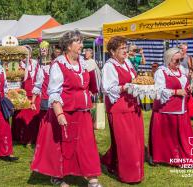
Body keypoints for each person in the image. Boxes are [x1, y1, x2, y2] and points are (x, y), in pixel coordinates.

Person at [31, 30, 102, 187]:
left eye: (81, 41)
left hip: (83, 112)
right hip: (65, 112)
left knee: (86, 145)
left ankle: (92, 178)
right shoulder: (58, 65)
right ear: (69, 46)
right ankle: (58, 176)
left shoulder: (83, 63)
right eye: (78, 41)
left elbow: (89, 87)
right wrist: (59, 113)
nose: (82, 45)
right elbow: (54, 91)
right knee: (63, 146)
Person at [101, 36, 144, 183]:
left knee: (136, 140)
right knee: (126, 142)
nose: (126, 51)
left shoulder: (127, 63)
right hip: (118, 107)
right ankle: (129, 174)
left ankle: (112, 162)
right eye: (122, 49)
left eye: (126, 48)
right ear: (112, 52)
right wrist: (125, 87)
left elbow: (134, 79)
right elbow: (107, 88)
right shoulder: (109, 66)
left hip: (133, 105)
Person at [149, 47, 193, 166]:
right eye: (176, 61)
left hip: (181, 109)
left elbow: (183, 83)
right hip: (166, 110)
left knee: (183, 136)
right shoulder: (161, 72)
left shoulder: (181, 69)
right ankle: (160, 157)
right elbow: (158, 91)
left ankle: (183, 157)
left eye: (180, 60)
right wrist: (176, 92)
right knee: (166, 137)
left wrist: (188, 87)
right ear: (168, 60)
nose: (179, 63)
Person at [12, 46, 41, 146]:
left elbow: (39, 78)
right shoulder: (17, 65)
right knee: (22, 116)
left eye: (27, 53)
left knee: (34, 115)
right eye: (23, 54)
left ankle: (33, 138)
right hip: (22, 94)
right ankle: (22, 138)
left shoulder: (36, 64)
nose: (25, 56)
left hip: (34, 94)